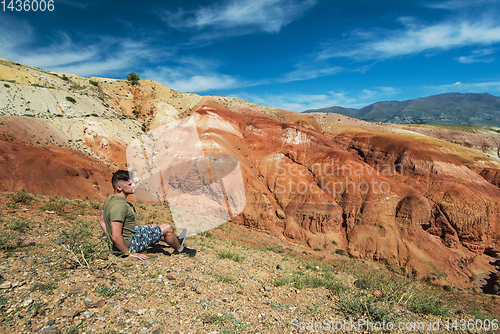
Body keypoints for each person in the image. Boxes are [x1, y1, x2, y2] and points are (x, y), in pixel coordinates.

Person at [98, 170, 196, 260]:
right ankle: (180, 249)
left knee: (154, 226)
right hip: (129, 245)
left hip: (125, 239)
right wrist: (128, 252)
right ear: (119, 187)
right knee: (167, 228)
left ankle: (172, 239)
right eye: (130, 184)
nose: (134, 185)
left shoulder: (110, 199)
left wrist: (110, 238)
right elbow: (116, 236)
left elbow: (101, 220)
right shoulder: (119, 205)